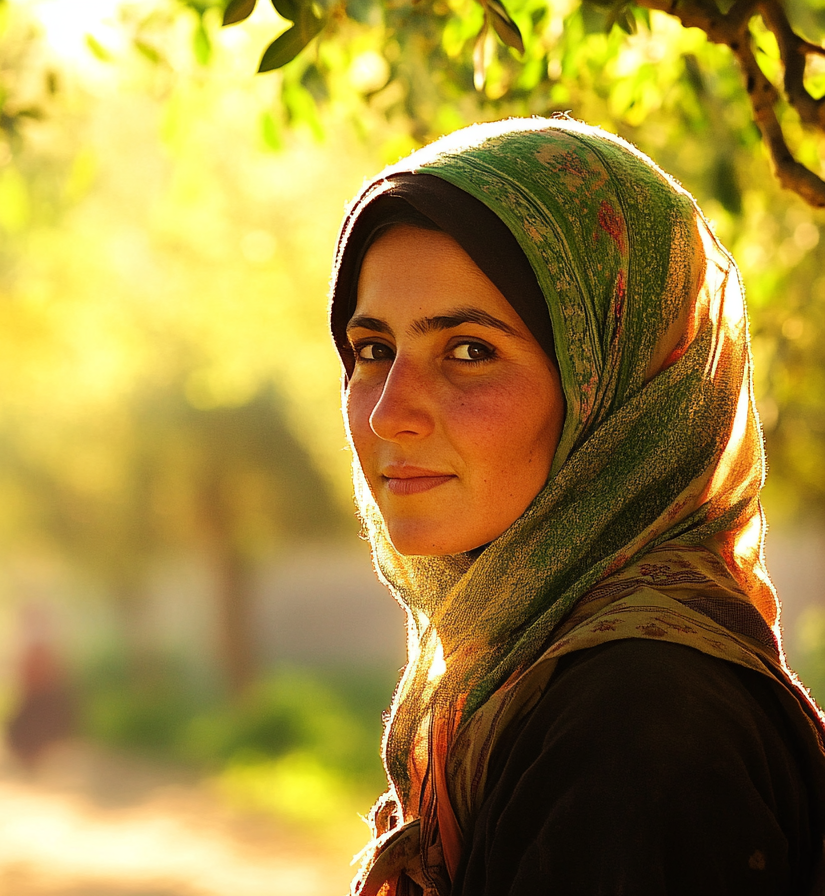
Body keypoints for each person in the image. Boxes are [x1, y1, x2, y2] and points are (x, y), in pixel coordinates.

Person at [331, 117, 825, 895]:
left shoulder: (634, 724)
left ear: (618, 395)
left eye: (469, 351)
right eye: (374, 350)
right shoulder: (527, 678)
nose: (392, 413)